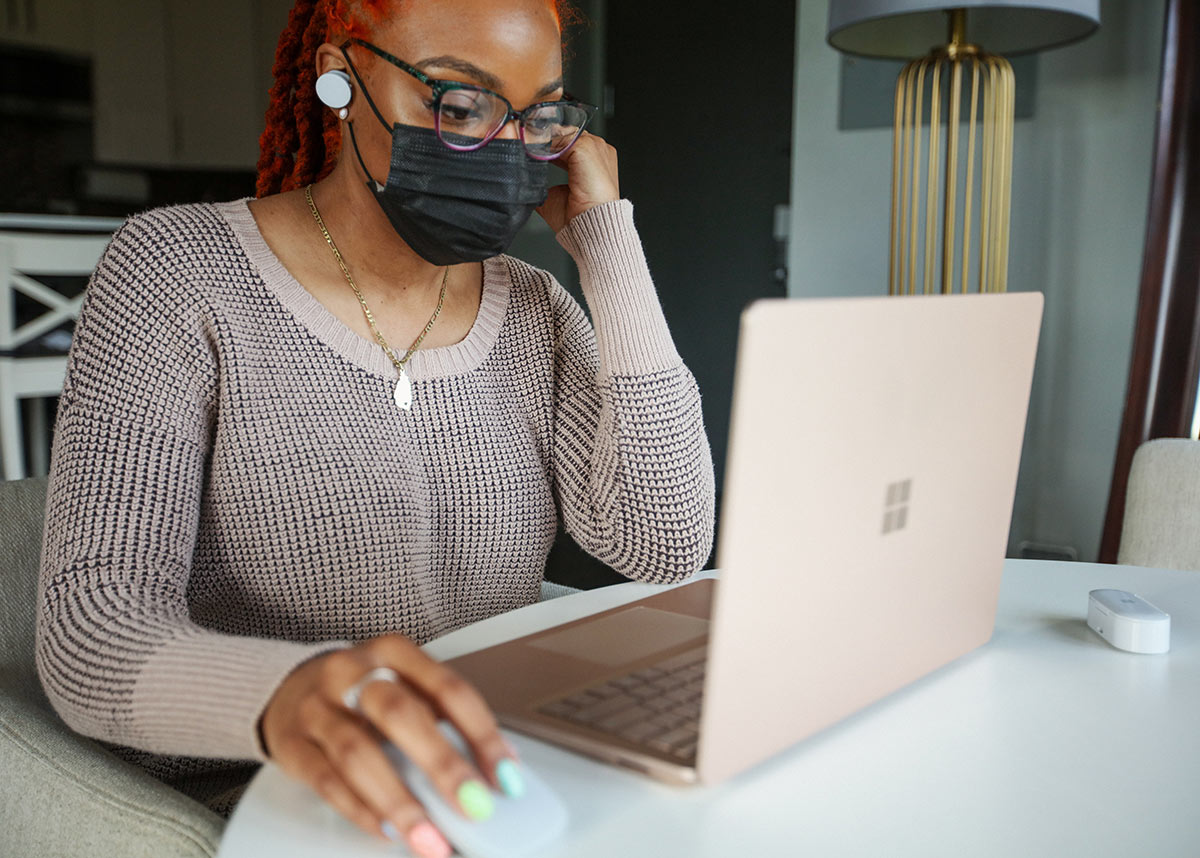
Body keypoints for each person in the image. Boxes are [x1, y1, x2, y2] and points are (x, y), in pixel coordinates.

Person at [35, 0, 715, 855]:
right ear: (341, 76)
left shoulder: (535, 307)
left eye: (536, 116)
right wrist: (291, 695)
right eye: (460, 105)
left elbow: (663, 545)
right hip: (274, 794)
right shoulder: (175, 271)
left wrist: (608, 245)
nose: (503, 147)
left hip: (493, 777)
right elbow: (94, 625)